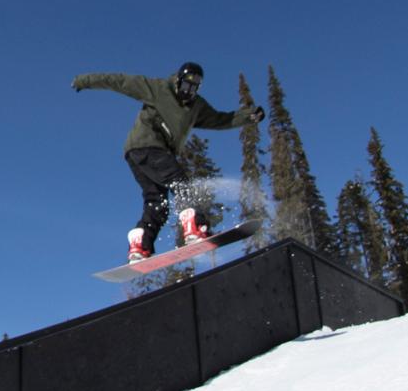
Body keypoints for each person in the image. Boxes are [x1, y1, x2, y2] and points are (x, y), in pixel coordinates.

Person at [72, 62, 264, 262]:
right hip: (147, 145)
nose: (188, 91)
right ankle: (193, 227)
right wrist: (85, 80)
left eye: (194, 87)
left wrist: (247, 117)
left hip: (140, 156)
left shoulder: (196, 106)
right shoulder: (158, 89)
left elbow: (220, 119)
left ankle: (140, 243)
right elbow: (119, 82)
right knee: (181, 183)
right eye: (186, 85)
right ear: (178, 81)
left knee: (157, 204)